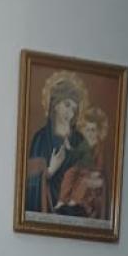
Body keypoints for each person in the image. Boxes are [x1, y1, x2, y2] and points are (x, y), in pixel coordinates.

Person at [24, 71, 87, 215]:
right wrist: (51, 170)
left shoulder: (79, 140)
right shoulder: (40, 138)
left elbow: (87, 173)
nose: (70, 113)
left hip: (74, 211)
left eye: (74, 109)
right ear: (56, 104)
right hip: (46, 208)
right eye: (67, 105)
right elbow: (30, 184)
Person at [54, 106, 109, 220]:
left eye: (93, 130)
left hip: (92, 173)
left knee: (84, 181)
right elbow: (76, 154)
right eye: (87, 130)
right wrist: (69, 148)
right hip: (80, 169)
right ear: (84, 130)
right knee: (69, 173)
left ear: (98, 131)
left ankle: (74, 201)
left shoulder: (99, 146)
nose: (90, 133)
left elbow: (100, 165)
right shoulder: (84, 143)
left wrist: (96, 173)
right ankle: (62, 199)